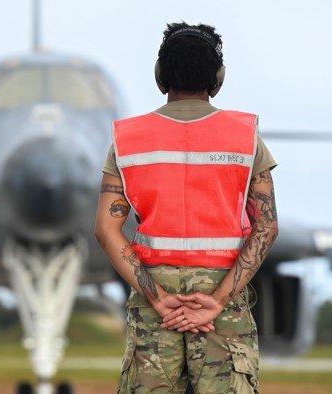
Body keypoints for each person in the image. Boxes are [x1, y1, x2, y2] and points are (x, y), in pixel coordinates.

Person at [94, 21, 279, 394]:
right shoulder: (245, 138)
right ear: (218, 78)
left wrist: (159, 299)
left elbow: (106, 228)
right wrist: (217, 300)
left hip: (155, 299)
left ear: (161, 76)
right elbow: (267, 227)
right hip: (221, 297)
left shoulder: (127, 141)